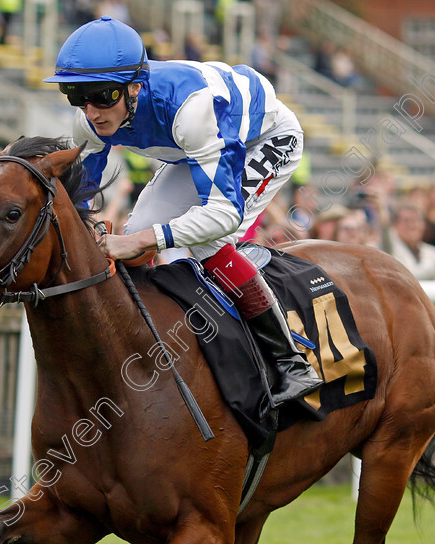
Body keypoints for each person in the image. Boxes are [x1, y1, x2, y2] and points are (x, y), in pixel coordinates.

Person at [44, 17, 322, 405]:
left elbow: (222, 215)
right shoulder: (91, 120)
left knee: (209, 237)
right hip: (195, 147)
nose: (92, 112)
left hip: (264, 138)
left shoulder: (190, 110)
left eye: (103, 96)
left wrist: (141, 239)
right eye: (78, 96)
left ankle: (291, 362)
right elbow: (80, 201)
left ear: (135, 88)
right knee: (138, 225)